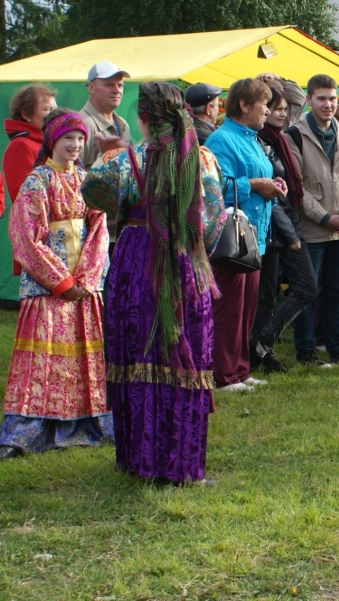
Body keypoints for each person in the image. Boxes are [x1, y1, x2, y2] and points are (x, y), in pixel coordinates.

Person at [82, 82, 225, 484]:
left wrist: (128, 209)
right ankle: (183, 465)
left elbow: (90, 191)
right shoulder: (203, 160)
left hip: (135, 262)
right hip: (185, 264)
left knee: (137, 356)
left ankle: (137, 460)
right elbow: (212, 225)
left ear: (142, 118)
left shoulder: (121, 162)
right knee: (184, 358)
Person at [0, 111, 111, 460]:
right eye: (68, 139)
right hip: (48, 289)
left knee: (85, 357)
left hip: (84, 285)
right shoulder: (37, 182)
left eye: (80, 139)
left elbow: (99, 229)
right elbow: (26, 238)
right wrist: (61, 281)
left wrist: (88, 277)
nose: (76, 145)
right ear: (52, 141)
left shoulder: (88, 179)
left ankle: (88, 423)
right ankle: (31, 429)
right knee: (43, 360)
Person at [204, 78, 279, 390]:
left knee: (247, 308)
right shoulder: (222, 139)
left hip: (254, 237)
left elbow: (262, 176)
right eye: (263, 104)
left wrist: (274, 186)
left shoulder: (253, 138)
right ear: (244, 105)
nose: (268, 110)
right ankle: (223, 374)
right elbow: (215, 186)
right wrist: (256, 185)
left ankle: (241, 370)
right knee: (229, 310)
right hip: (232, 238)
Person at [286, 74, 339, 367]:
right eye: (321, 98)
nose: (328, 104)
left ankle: (337, 349)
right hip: (312, 228)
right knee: (309, 292)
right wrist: (323, 217)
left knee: (336, 292)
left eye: (333, 98)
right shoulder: (294, 134)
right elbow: (296, 187)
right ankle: (306, 351)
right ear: (309, 100)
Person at [248, 85, 317, 374]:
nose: (280, 113)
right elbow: (269, 195)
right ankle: (261, 348)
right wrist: (290, 235)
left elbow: (299, 99)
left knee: (301, 288)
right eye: (274, 108)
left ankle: (262, 345)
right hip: (274, 227)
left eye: (283, 109)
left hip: (286, 222)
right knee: (281, 292)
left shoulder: (279, 140)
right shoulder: (259, 142)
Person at [4, 84, 57, 229]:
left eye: (55, 109)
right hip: (38, 232)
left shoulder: (49, 143)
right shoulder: (21, 145)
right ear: (26, 115)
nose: (54, 115)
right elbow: (25, 198)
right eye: (47, 109)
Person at [80, 61, 133, 168]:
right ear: (91, 88)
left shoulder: (123, 124)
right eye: (109, 85)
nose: (117, 90)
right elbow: (70, 174)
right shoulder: (82, 124)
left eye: (120, 85)